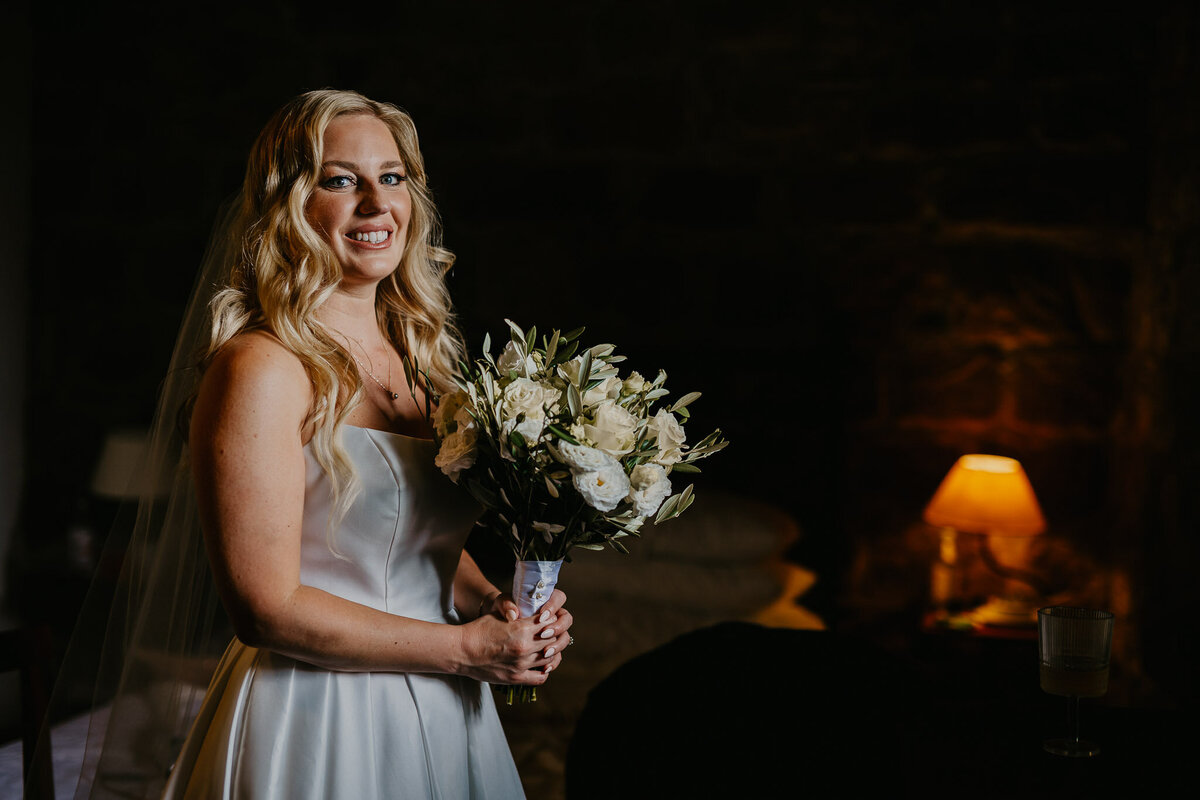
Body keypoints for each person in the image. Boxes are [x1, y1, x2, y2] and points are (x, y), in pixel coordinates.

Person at [56, 89, 571, 800]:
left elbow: (414, 542)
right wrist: (463, 650)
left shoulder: (428, 362)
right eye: (340, 180)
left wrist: (492, 607)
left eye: (391, 177)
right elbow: (264, 607)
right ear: (289, 204)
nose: (375, 202)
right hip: (317, 716)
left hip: (450, 707)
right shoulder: (260, 367)